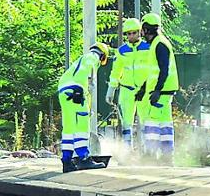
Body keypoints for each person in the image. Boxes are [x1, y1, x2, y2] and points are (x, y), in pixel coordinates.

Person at [58, 43, 110, 173]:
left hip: (63, 91)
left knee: (69, 126)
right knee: (82, 126)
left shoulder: (81, 58)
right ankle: (84, 158)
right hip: (76, 90)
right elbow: (83, 72)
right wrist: (78, 91)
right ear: (102, 55)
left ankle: (67, 160)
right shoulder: (92, 58)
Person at [136, 13, 179, 163]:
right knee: (165, 123)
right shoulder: (158, 43)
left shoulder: (159, 44)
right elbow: (153, 71)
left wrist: (157, 90)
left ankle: (151, 155)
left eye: (142, 29)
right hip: (163, 90)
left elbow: (164, 70)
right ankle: (167, 156)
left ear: (146, 30)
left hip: (161, 91)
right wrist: (143, 88)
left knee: (152, 121)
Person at [106, 18, 150, 150]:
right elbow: (116, 72)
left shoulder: (148, 48)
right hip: (126, 90)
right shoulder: (121, 51)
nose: (131, 36)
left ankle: (145, 152)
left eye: (134, 33)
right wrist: (111, 90)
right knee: (126, 123)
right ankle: (127, 152)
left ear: (139, 32)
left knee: (145, 122)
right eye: (128, 33)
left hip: (144, 90)